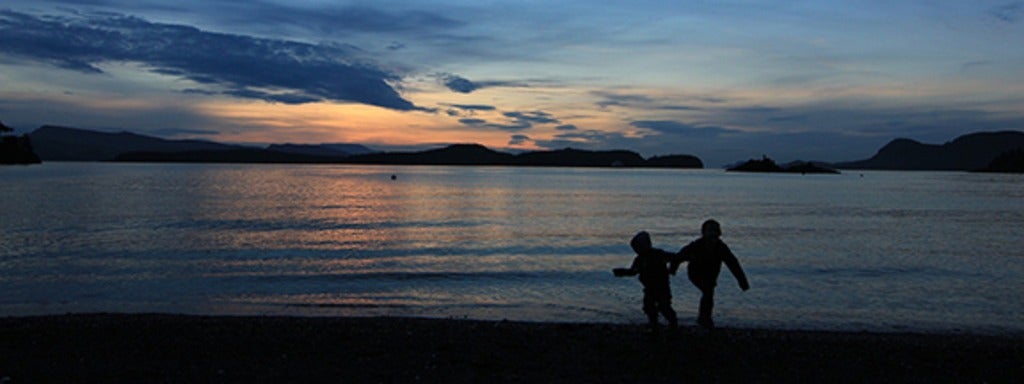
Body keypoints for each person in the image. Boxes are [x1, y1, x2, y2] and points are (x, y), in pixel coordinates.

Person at [671, 219, 749, 329]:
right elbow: (680, 256)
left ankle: (704, 317)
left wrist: (742, 281)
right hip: (695, 273)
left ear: (719, 233)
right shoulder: (696, 245)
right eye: (710, 231)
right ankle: (704, 318)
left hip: (711, 274)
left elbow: (733, 264)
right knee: (708, 291)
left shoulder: (721, 248)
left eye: (715, 231)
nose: (713, 233)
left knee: (709, 292)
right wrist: (673, 269)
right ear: (704, 233)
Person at [613, 231, 679, 332]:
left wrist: (672, 269)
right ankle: (654, 325)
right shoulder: (639, 259)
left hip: (662, 287)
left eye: (638, 247)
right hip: (649, 288)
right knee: (648, 306)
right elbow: (633, 272)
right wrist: (621, 272)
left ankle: (673, 323)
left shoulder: (658, 254)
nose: (636, 251)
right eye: (635, 249)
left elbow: (675, 258)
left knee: (664, 306)